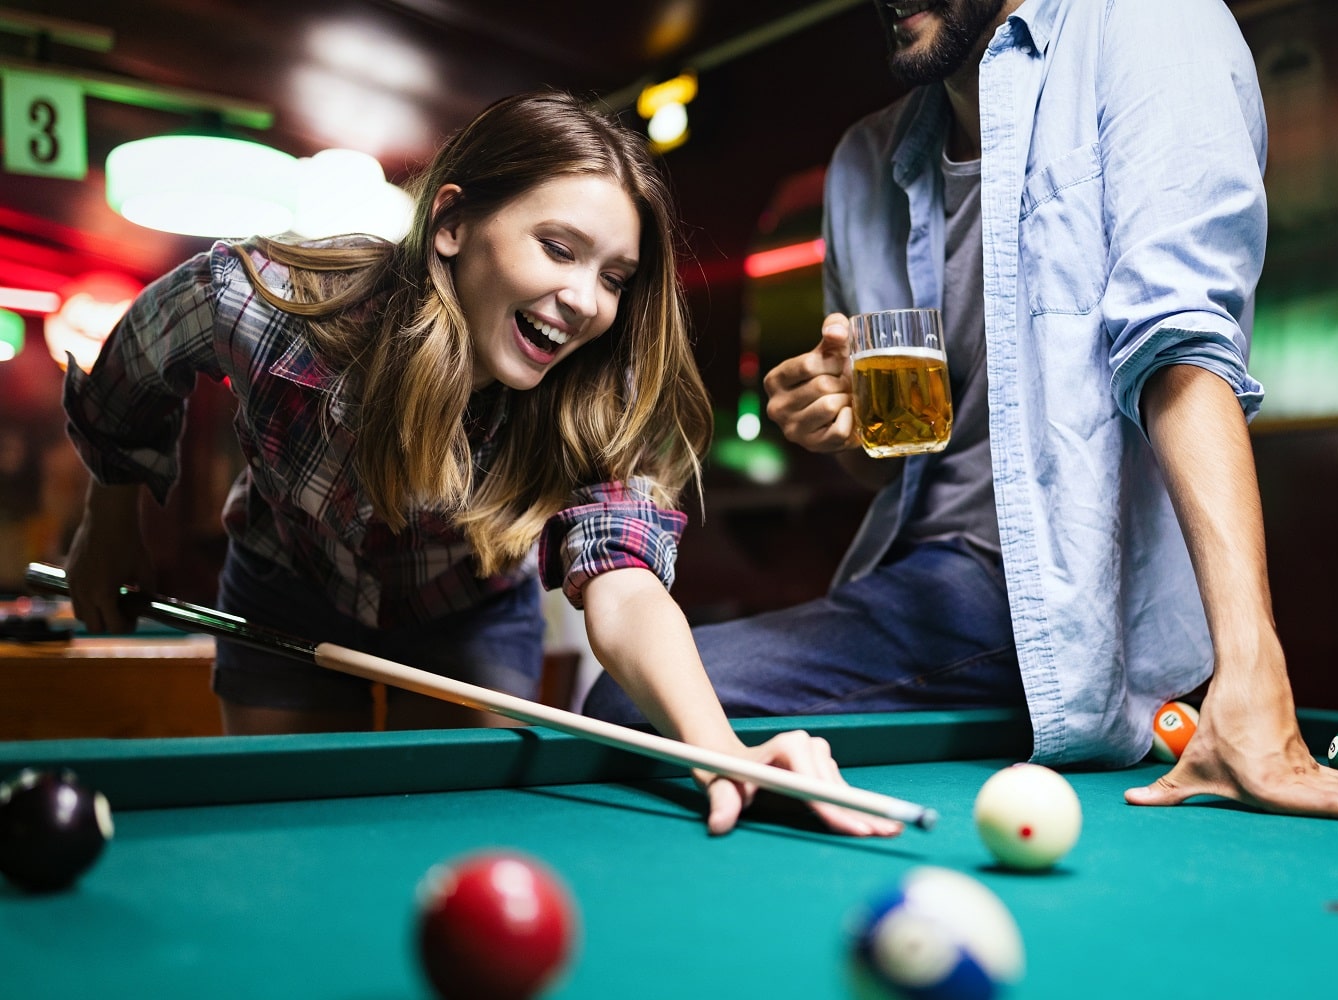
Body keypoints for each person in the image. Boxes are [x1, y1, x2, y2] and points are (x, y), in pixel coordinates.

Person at [585, 1, 1338, 824]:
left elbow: (1182, 346)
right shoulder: (862, 161)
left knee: (628, 695)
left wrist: (1252, 673)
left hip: (1052, 594)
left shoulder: (1150, 22)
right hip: (915, 580)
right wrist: (837, 424)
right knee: (638, 685)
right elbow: (888, 465)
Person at [61, 91, 898, 838]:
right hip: (288, 584)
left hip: (468, 608)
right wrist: (109, 525)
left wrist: (721, 753)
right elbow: (131, 375)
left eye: (615, 276)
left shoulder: (599, 396)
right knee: (291, 837)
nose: (585, 301)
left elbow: (626, 585)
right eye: (558, 248)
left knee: (458, 835)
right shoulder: (266, 304)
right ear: (452, 224)